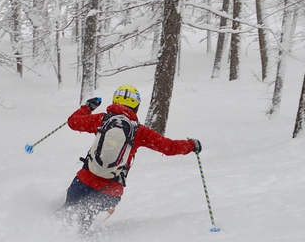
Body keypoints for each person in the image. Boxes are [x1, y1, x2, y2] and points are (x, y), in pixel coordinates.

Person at [61, 84, 201, 233]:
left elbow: (73, 122)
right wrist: (191, 145)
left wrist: (87, 107)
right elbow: (169, 147)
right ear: (136, 106)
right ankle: (85, 236)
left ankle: (56, 237)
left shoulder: (102, 119)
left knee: (65, 218)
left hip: (83, 182)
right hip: (110, 192)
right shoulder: (139, 131)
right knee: (84, 224)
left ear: (115, 101)